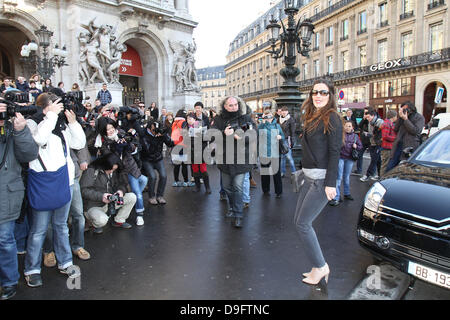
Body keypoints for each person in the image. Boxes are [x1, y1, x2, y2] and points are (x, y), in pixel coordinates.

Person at [24, 93, 86, 288]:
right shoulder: (33, 124)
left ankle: (66, 261)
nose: (59, 107)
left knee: (60, 226)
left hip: (64, 182)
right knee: (39, 230)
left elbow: (79, 144)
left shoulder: (60, 125)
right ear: (45, 107)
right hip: (44, 183)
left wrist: (73, 123)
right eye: (55, 104)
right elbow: (38, 140)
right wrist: (50, 116)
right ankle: (32, 269)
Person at [294, 79, 342, 285]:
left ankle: (321, 267)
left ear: (330, 95)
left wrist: (331, 183)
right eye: (315, 93)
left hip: (321, 180)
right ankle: (317, 265)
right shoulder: (314, 115)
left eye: (323, 92)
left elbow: (334, 152)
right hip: (309, 177)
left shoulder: (332, 117)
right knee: (298, 222)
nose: (318, 96)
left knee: (303, 224)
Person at [0, 102, 39, 300]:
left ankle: (8, 281)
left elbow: (30, 154)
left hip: (5, 195)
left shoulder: (11, 128)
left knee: (5, 240)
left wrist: (20, 130)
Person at [212, 96, 256, 228]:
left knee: (237, 186)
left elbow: (253, 134)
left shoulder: (246, 118)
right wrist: (223, 133)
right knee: (226, 187)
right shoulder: (218, 119)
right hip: (225, 158)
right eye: (230, 105)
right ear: (224, 106)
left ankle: (238, 214)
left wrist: (239, 137)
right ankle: (232, 207)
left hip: (241, 159)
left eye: (235, 104)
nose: (233, 107)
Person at [97, 118, 147, 226]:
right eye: (107, 129)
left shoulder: (121, 133)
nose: (110, 131)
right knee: (137, 193)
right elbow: (110, 160)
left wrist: (129, 145)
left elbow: (135, 147)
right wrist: (117, 149)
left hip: (130, 167)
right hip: (117, 171)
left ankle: (131, 201)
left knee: (144, 180)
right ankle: (139, 214)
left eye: (111, 128)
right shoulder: (104, 143)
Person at [80, 153, 136, 233]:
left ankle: (119, 220)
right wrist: (101, 196)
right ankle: (95, 224)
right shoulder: (91, 170)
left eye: (114, 169)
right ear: (104, 165)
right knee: (102, 220)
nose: (111, 171)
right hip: (93, 206)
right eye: (110, 169)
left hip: (109, 203)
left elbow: (122, 184)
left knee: (132, 197)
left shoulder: (114, 171)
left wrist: (120, 191)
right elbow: (83, 190)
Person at [140, 119, 174, 207]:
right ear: (149, 128)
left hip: (158, 158)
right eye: (154, 130)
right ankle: (151, 196)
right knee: (152, 176)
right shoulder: (144, 135)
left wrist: (164, 136)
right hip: (147, 159)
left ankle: (160, 196)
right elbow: (148, 150)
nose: (155, 132)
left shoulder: (161, 134)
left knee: (163, 176)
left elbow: (171, 144)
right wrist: (156, 138)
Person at [329, 120, 362, 206]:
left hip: (349, 158)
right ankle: (336, 196)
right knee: (339, 177)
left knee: (346, 177)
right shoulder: (340, 135)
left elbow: (360, 146)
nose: (347, 128)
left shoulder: (355, 136)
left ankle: (347, 193)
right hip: (340, 157)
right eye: (346, 126)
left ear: (352, 128)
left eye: (349, 126)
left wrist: (356, 146)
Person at [386, 101, 425, 173]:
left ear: (411, 109)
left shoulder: (419, 118)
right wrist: (400, 118)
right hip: (398, 145)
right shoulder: (402, 117)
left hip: (410, 146)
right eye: (402, 109)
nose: (404, 111)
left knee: (405, 170)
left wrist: (406, 119)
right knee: (389, 168)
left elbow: (415, 131)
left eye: (405, 109)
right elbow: (396, 129)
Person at [257, 110, 284, 198]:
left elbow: (283, 136)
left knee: (276, 174)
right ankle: (265, 190)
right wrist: (263, 122)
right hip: (264, 153)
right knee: (265, 174)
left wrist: (280, 137)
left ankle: (279, 192)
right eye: (266, 116)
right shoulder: (261, 126)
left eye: (269, 116)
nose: (268, 118)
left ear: (272, 117)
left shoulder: (277, 125)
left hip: (275, 153)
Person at [360, 109, 384, 182]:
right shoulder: (369, 122)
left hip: (378, 143)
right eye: (366, 117)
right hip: (372, 143)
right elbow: (360, 126)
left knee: (374, 159)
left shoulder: (379, 122)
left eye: (368, 117)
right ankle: (380, 175)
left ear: (373, 115)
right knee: (378, 160)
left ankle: (368, 175)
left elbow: (380, 134)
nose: (367, 119)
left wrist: (371, 135)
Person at [171, 109, 193, 187]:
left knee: (176, 165)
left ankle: (176, 181)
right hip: (183, 146)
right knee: (184, 165)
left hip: (175, 145)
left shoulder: (174, 122)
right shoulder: (183, 122)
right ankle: (186, 181)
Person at [353, 107, 371, 176]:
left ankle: (372, 172)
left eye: (366, 113)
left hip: (370, 140)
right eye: (364, 113)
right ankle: (359, 170)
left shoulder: (372, 119)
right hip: (363, 140)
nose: (365, 114)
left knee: (374, 157)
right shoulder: (364, 120)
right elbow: (359, 126)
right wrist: (363, 119)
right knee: (359, 155)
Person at [279, 106, 297, 178]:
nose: (283, 112)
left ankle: (294, 172)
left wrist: (292, 141)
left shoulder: (290, 119)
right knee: (282, 157)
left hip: (287, 140)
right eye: (282, 111)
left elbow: (292, 131)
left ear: (287, 112)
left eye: (285, 111)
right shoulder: (279, 119)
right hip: (281, 140)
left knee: (289, 157)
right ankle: (282, 172)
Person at [380, 110, 397, 176]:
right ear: (393, 116)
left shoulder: (388, 123)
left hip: (388, 147)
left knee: (385, 164)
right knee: (385, 165)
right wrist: (395, 139)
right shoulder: (387, 124)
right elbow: (385, 136)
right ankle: (382, 179)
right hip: (387, 148)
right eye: (396, 116)